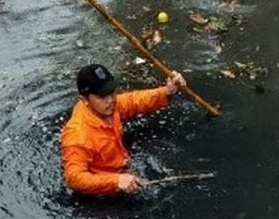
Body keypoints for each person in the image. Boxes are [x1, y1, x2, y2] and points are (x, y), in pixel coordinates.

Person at [60, 63, 187, 196]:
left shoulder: (106, 107)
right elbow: (74, 179)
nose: (111, 100)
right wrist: (115, 181)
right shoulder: (78, 134)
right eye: (102, 96)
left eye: (112, 92)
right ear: (84, 99)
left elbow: (134, 101)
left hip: (123, 168)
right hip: (101, 196)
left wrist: (167, 91)